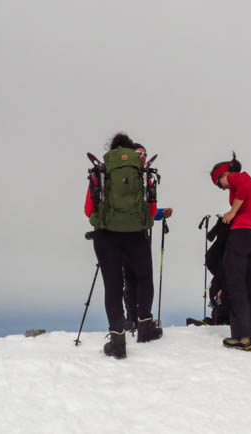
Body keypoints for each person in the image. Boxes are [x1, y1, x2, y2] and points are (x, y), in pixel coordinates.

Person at [84, 133, 161, 359]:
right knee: (144, 278)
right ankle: (145, 328)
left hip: (107, 236)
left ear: (112, 148)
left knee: (114, 286)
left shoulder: (102, 169)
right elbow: (152, 209)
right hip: (137, 235)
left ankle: (118, 341)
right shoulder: (142, 171)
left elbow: (89, 210)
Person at [210, 153, 251, 351]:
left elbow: (243, 188)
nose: (222, 187)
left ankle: (242, 336)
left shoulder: (238, 177)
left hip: (241, 236)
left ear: (223, 174)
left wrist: (234, 213)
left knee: (235, 284)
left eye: (219, 183)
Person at [121, 144, 173, 332]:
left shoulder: (122, 177)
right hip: (139, 234)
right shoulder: (141, 178)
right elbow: (145, 210)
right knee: (141, 279)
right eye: (139, 154)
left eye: (144, 154)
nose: (142, 156)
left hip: (120, 235)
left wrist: (159, 214)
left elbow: (142, 210)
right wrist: (157, 213)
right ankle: (142, 320)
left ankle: (131, 320)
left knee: (130, 279)